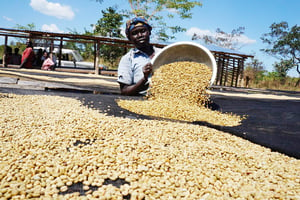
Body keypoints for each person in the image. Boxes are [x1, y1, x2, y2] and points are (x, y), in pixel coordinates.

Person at [117, 17, 161, 96]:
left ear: (149, 32)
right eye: (134, 33)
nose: (140, 35)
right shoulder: (128, 59)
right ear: (129, 38)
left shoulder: (162, 53)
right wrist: (145, 79)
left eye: (143, 31)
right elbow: (124, 91)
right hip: (140, 101)